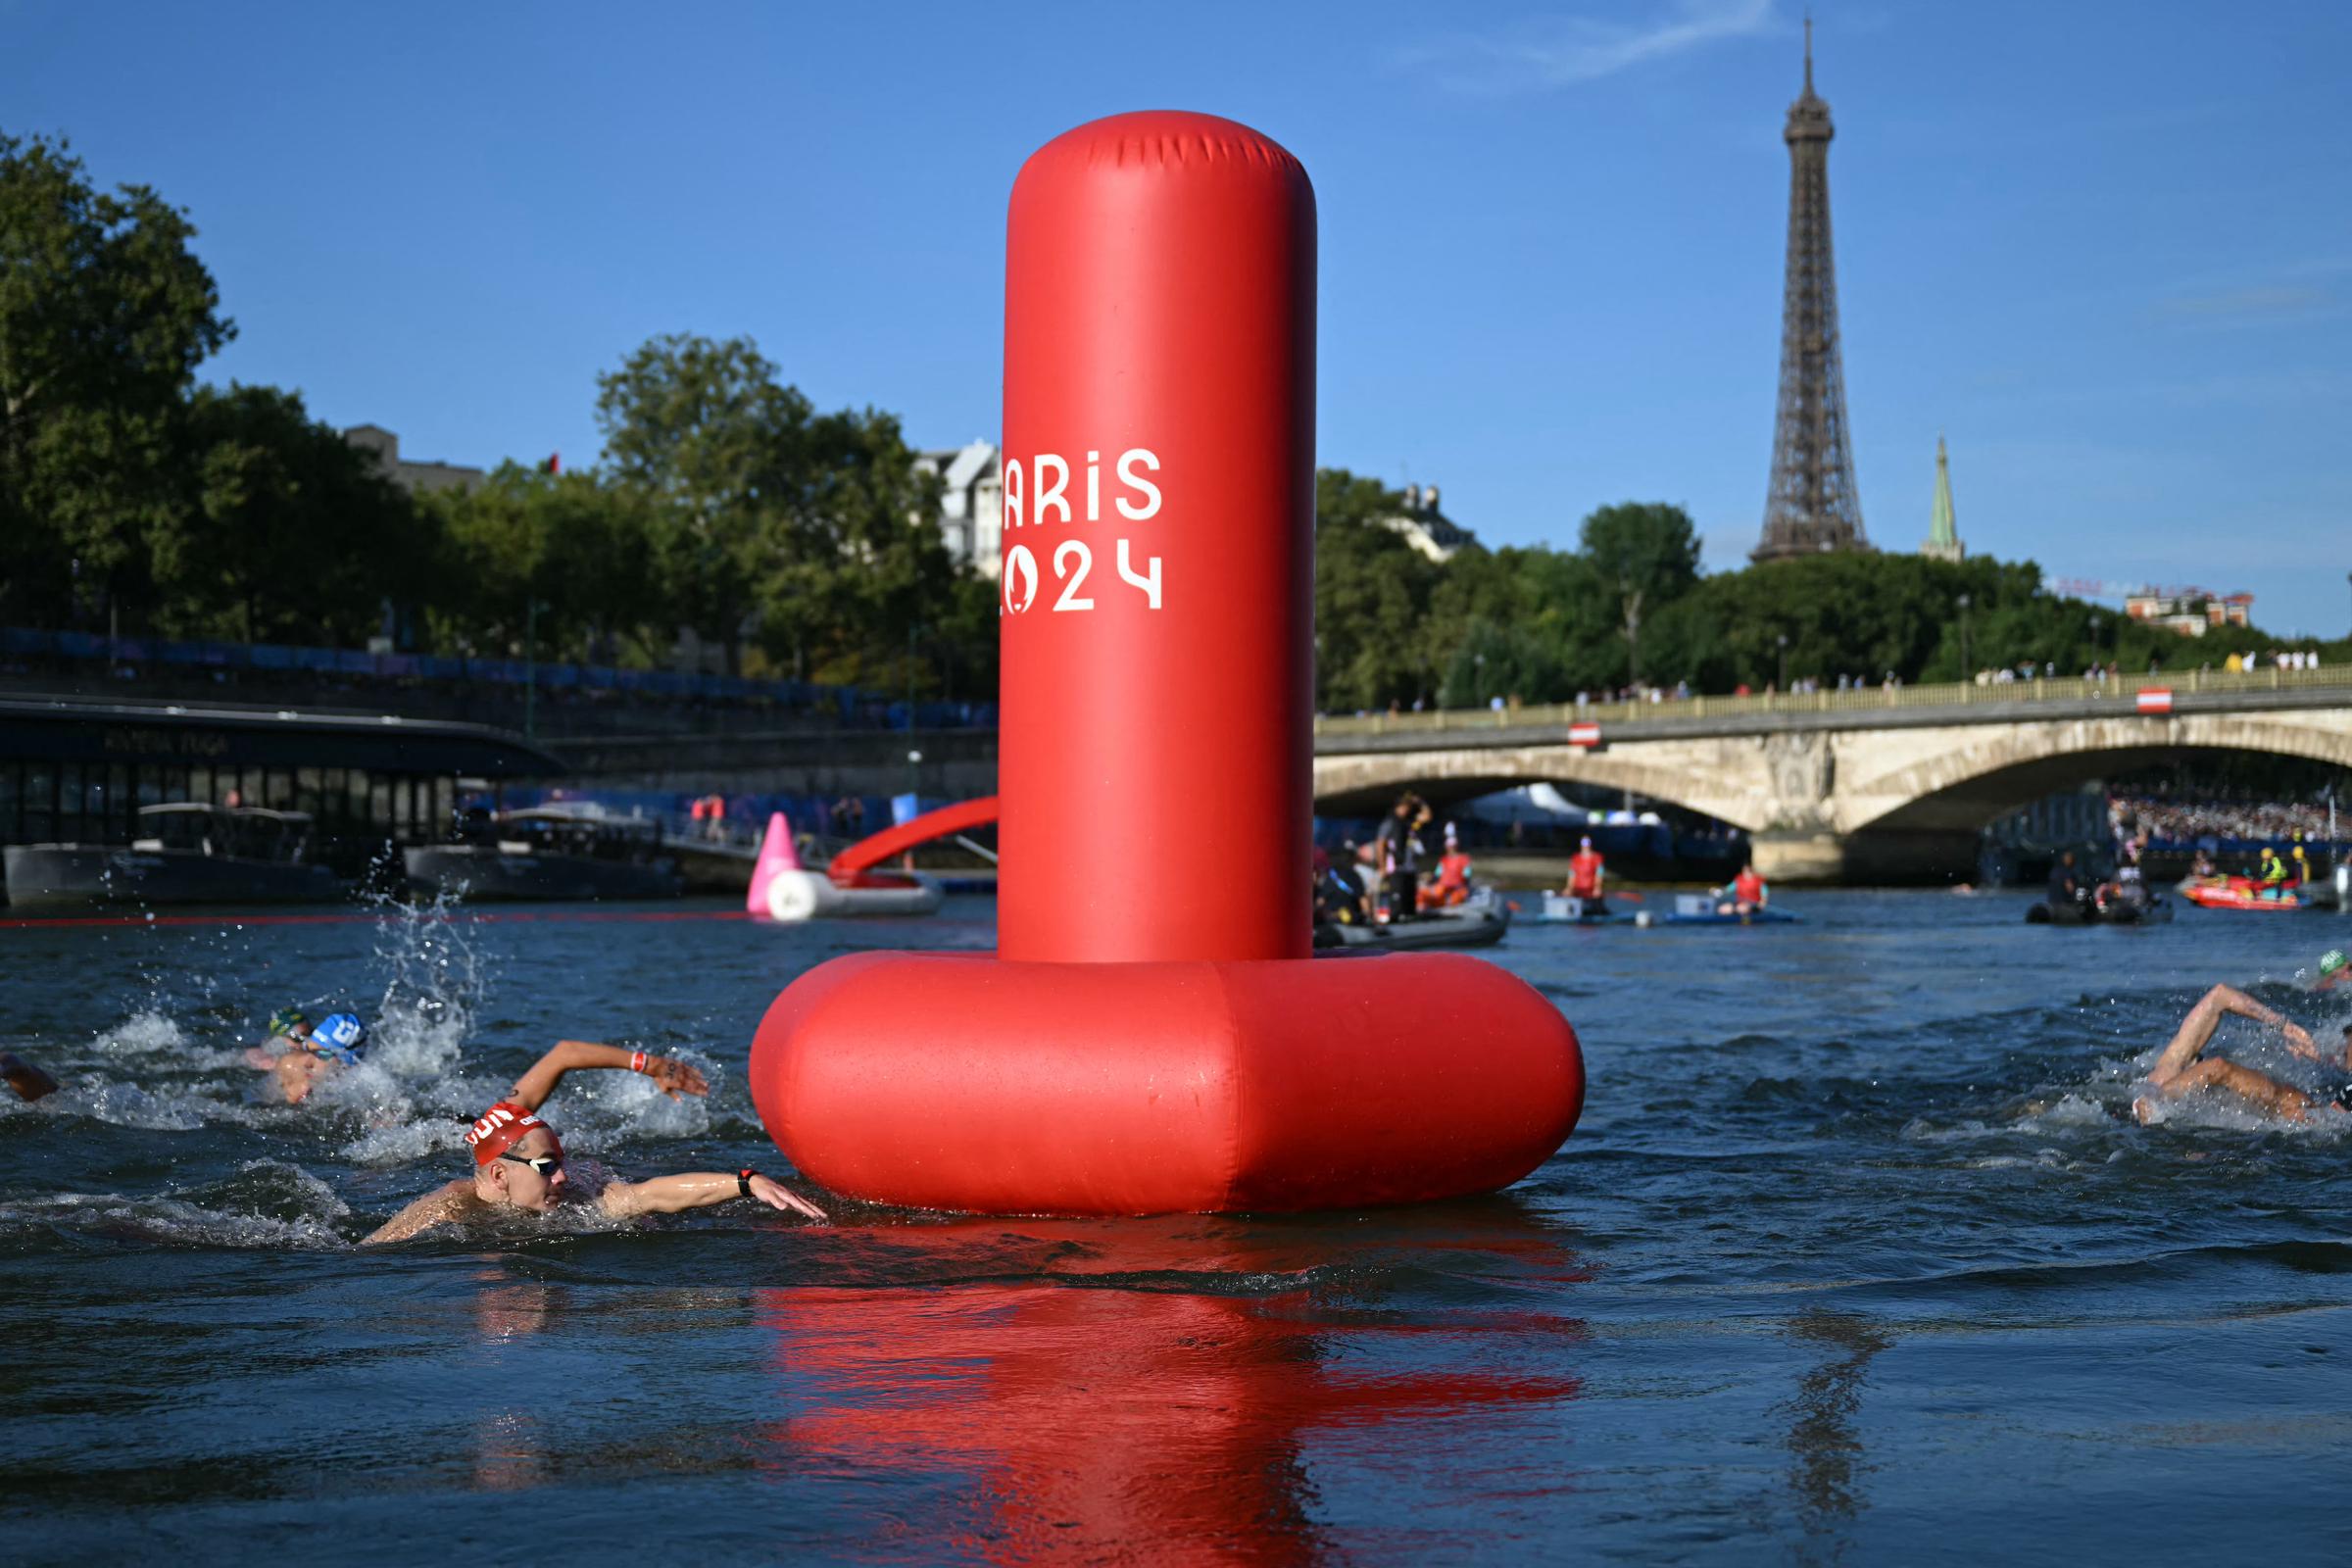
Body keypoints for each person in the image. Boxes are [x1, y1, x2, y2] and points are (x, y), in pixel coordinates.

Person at [362, 1039, 827, 1244]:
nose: (562, 1176)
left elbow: (648, 1196)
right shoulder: (448, 1208)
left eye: (558, 1161)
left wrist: (746, 1181)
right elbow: (372, 1253)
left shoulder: (576, 1192)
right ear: (499, 1175)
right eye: (548, 1167)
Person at [2134, 983, 2351, 1125]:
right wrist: (2284, 1026)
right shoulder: (2170, 1070)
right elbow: (2219, 995)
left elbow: (2217, 1068)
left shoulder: (2164, 1081)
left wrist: (2156, 1102)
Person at [245, 1009, 368, 1105]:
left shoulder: (362, 1082)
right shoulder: (286, 1066)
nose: (307, 1062)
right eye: (307, 1049)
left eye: (322, 1055)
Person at [1421, 823, 1475, 909]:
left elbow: (1466, 876)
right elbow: (1437, 875)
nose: (1450, 849)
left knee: (1452, 897)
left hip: (1457, 889)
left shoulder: (1464, 859)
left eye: (1452, 847)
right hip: (1443, 888)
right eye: (1449, 847)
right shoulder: (1444, 860)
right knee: (1429, 893)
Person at [1564, 835, 1606, 911]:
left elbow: (1599, 874)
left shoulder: (1597, 858)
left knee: (1597, 901)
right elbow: (1571, 875)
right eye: (1583, 842)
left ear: (1590, 844)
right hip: (1578, 891)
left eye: (1587, 842)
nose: (1585, 845)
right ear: (1581, 844)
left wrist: (1597, 888)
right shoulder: (1575, 858)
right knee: (1568, 894)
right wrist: (1569, 888)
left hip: (1591, 892)